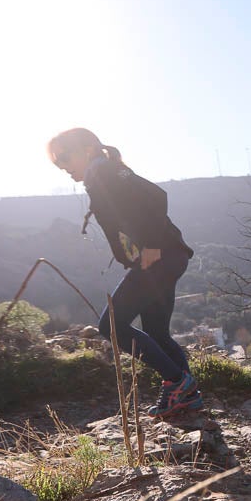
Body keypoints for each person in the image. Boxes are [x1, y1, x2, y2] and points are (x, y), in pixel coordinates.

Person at [48, 128, 201, 418]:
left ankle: (178, 383)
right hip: (167, 258)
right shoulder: (100, 176)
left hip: (161, 257)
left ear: (88, 149)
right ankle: (187, 396)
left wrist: (153, 245)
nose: (64, 167)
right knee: (157, 332)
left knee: (111, 326)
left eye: (65, 157)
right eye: (58, 163)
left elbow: (157, 195)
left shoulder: (106, 172)